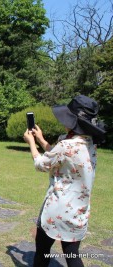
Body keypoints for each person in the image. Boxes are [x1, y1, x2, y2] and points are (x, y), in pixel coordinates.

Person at [23, 95, 106, 267]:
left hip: (57, 209)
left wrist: (31, 142)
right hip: (79, 210)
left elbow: (41, 164)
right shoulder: (89, 144)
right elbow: (59, 155)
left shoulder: (66, 146)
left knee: (42, 253)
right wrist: (41, 140)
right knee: (72, 255)